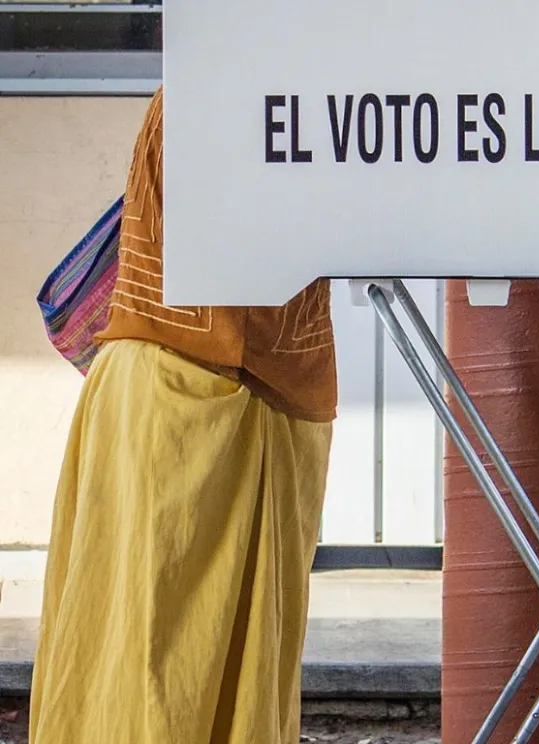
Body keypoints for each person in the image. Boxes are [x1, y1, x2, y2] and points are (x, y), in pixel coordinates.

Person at [28, 86, 338, 744]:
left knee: (149, 665)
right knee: (157, 673)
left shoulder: (258, 76)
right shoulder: (240, 81)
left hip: (220, 393)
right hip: (197, 394)